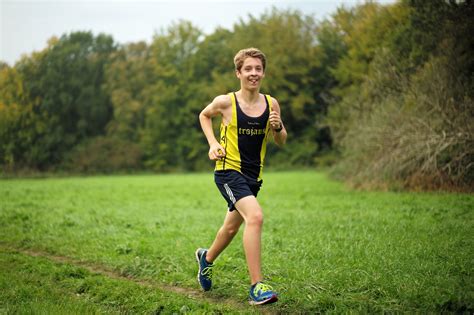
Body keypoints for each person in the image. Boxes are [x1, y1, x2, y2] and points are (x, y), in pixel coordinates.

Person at [196, 47, 287, 305]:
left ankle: (207, 258)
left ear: (263, 73)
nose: (253, 73)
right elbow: (204, 115)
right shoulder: (226, 102)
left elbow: (281, 140)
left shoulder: (271, 104)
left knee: (232, 227)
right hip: (227, 172)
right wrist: (213, 143)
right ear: (238, 72)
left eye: (258, 69)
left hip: (253, 177)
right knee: (255, 217)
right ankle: (257, 287)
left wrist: (278, 127)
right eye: (248, 69)